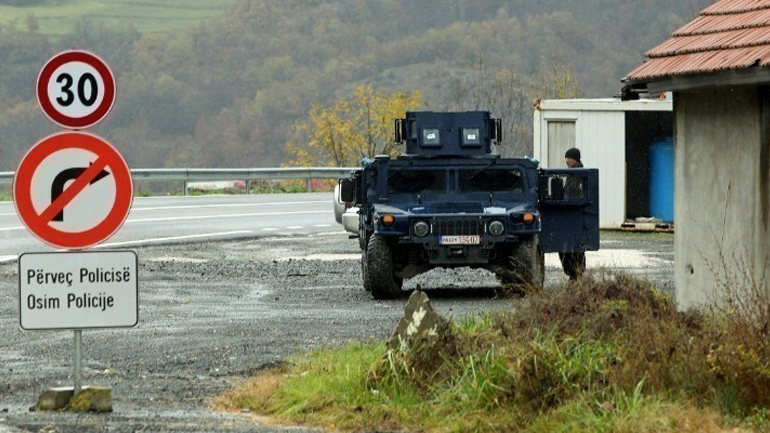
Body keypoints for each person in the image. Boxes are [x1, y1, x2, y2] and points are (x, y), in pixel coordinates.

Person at [559, 147, 586, 281]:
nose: (567, 161)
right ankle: (574, 273)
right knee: (569, 247)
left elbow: (575, 193)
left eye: (569, 159)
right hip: (571, 213)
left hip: (575, 213)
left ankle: (576, 273)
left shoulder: (579, 175)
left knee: (575, 248)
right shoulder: (572, 174)